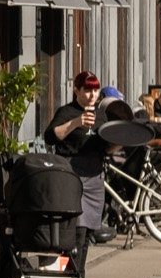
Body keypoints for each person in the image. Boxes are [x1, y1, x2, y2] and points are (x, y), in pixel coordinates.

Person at [44, 71, 131, 231]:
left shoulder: (101, 114)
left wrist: (120, 142)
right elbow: (50, 137)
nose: (93, 95)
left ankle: (84, 247)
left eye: (96, 90)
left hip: (94, 175)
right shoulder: (67, 112)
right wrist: (76, 122)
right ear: (76, 90)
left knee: (90, 230)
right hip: (72, 173)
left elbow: (106, 149)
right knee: (76, 228)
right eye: (88, 90)